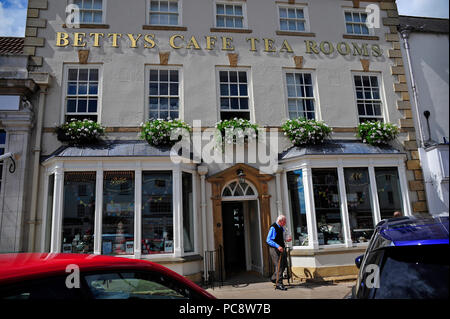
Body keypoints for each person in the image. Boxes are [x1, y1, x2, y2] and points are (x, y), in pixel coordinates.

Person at [266, 215, 292, 291]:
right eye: (284, 221)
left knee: (284, 264)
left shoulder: (281, 228)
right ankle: (279, 284)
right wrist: (278, 246)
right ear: (280, 221)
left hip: (281, 248)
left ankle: (274, 278)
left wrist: (287, 240)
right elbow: (268, 240)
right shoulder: (273, 227)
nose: (285, 222)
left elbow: (281, 237)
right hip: (274, 249)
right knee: (279, 265)